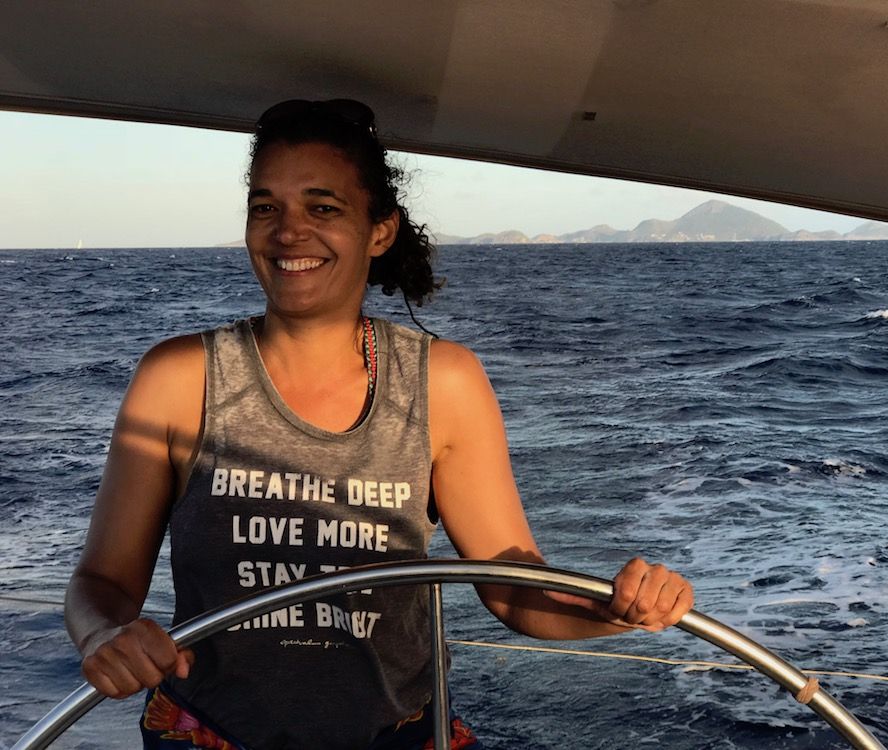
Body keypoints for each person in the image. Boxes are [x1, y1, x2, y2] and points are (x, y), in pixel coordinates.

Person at [64, 99, 694, 750]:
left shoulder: (443, 383)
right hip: (211, 735)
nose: (288, 232)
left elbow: (512, 591)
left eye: (322, 208)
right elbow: (101, 583)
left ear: (380, 231)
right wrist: (105, 635)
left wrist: (621, 611)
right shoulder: (178, 378)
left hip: (397, 736)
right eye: (265, 207)